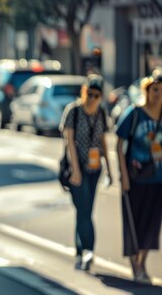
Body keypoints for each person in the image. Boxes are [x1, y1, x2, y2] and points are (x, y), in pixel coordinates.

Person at [59, 75, 111, 271]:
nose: (92, 99)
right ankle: (88, 250)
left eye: (97, 96)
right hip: (77, 169)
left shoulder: (102, 113)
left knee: (85, 211)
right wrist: (75, 170)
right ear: (84, 91)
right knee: (83, 211)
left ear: (101, 97)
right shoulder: (73, 111)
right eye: (89, 94)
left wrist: (110, 171)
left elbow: (104, 142)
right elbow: (69, 141)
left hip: (95, 169)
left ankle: (80, 253)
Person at [116, 74, 162, 284]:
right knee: (135, 223)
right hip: (135, 179)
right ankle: (135, 265)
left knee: (152, 226)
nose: (159, 94)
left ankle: (142, 263)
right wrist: (123, 176)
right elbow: (119, 145)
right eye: (155, 90)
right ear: (147, 91)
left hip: (159, 179)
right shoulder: (135, 114)